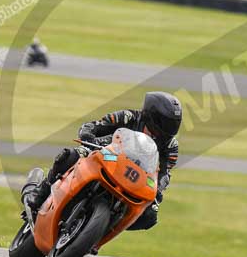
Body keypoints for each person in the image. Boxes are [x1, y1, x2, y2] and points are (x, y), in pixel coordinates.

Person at [22, 91, 181, 234]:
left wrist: (157, 194)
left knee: (149, 216)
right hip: (105, 157)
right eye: (165, 123)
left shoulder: (170, 146)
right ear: (150, 115)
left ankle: (99, 232)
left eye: (173, 125)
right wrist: (88, 135)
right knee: (70, 155)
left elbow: (164, 173)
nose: (168, 130)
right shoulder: (128, 117)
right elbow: (94, 126)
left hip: (134, 178)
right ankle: (40, 192)